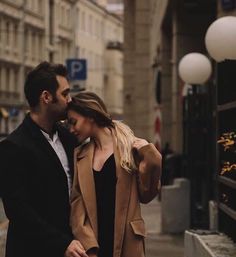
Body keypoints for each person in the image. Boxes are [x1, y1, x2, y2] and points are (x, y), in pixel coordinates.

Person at [0, 62, 88, 257]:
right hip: (32, 250)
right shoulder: (14, 147)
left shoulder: (69, 138)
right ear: (46, 97)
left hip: (72, 248)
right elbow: (19, 211)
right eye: (65, 94)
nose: (69, 100)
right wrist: (62, 244)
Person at [67, 91, 162, 257]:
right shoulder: (80, 155)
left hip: (128, 243)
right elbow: (77, 206)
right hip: (94, 245)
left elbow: (147, 195)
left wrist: (151, 156)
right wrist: (89, 245)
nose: (71, 129)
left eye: (73, 122)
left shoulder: (129, 146)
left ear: (89, 115)